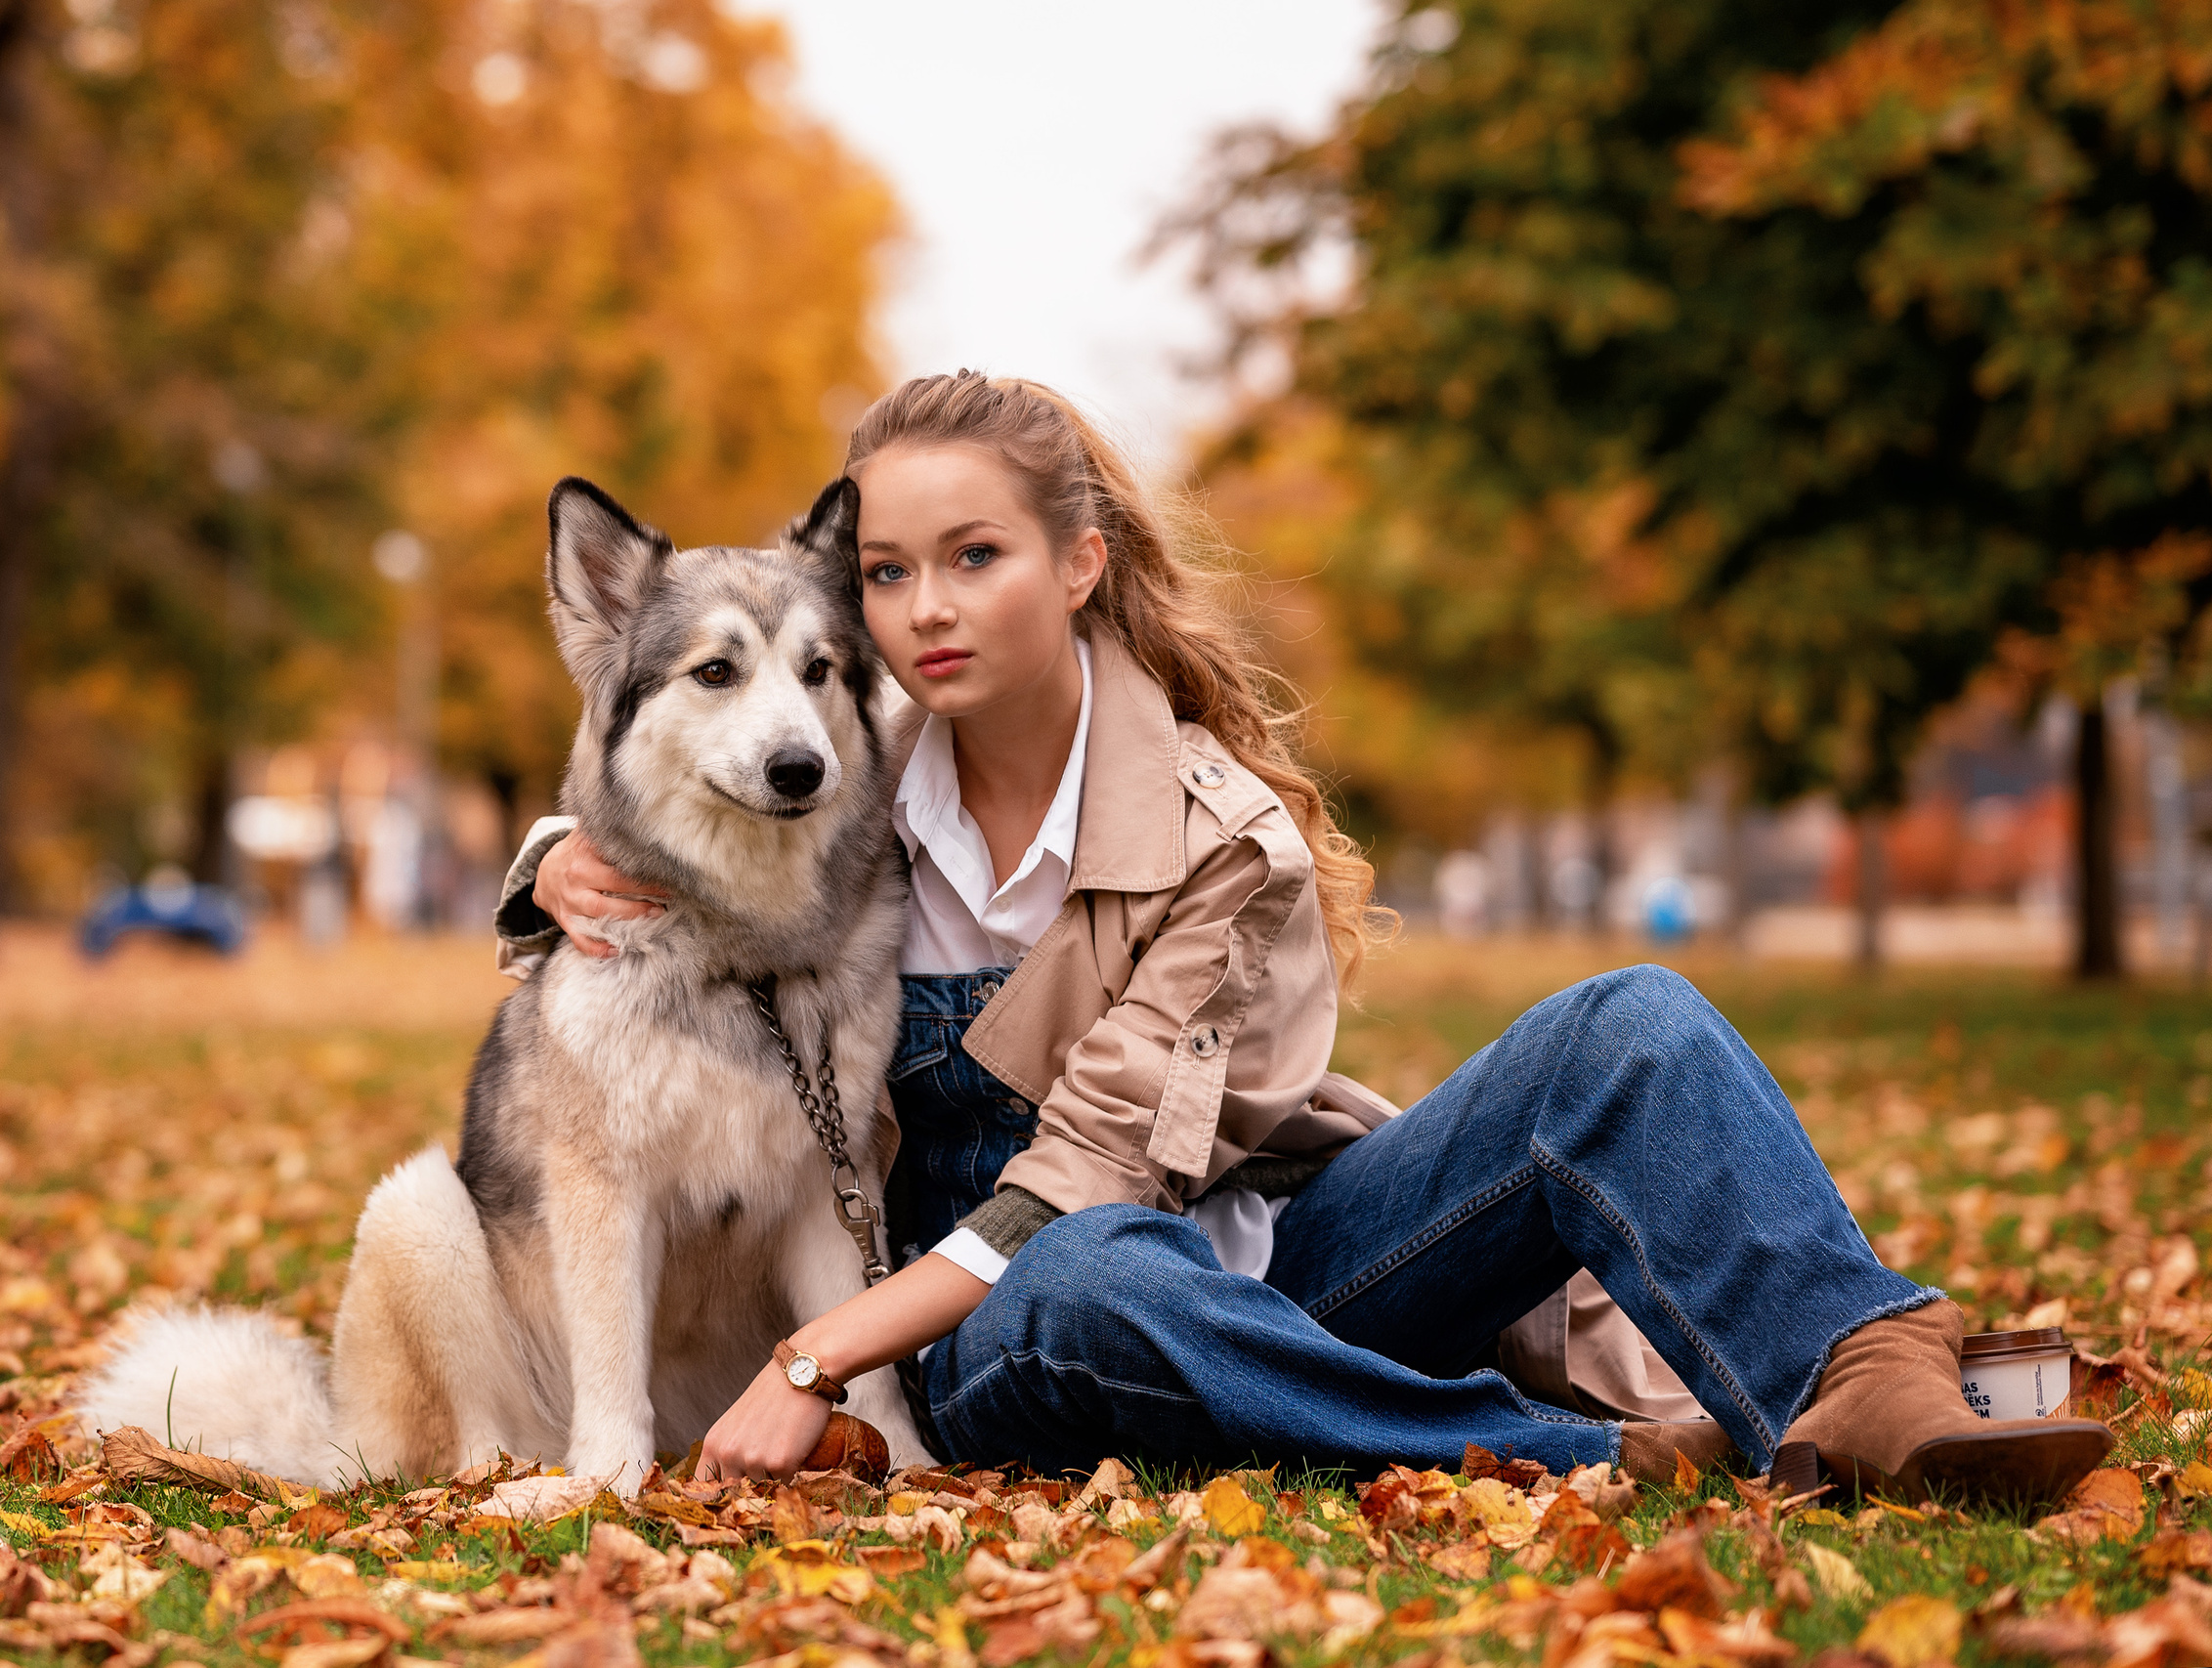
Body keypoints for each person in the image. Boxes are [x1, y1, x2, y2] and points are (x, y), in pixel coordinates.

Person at [502, 370, 2108, 1506]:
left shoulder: (1218, 834)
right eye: (886, 572)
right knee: (1089, 1282)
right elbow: (678, 799)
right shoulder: (835, 785)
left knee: (1631, 1021)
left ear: (1079, 563)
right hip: (1015, 1340)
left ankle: (1871, 1375)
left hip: (1268, 1267)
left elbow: (1092, 1167)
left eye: (975, 557)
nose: (926, 607)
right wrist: (555, 858)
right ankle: (1598, 1460)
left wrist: (810, 1360)